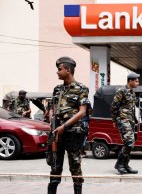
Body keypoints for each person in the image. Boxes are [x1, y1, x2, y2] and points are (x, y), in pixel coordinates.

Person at [48, 57, 89, 194]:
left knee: (75, 167)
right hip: (57, 133)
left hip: (72, 133)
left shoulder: (81, 88)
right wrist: (51, 119)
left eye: (59, 69)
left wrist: (64, 126)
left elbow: (82, 112)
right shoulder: (57, 89)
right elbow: (52, 108)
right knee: (55, 166)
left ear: (68, 70)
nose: (57, 72)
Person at [111, 72, 140, 174]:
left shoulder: (132, 92)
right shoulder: (121, 91)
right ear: (130, 81)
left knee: (130, 143)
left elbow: (131, 108)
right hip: (122, 120)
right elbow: (114, 106)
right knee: (129, 141)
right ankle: (119, 164)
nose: (138, 83)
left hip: (130, 120)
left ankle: (125, 164)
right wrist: (115, 120)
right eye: (136, 81)